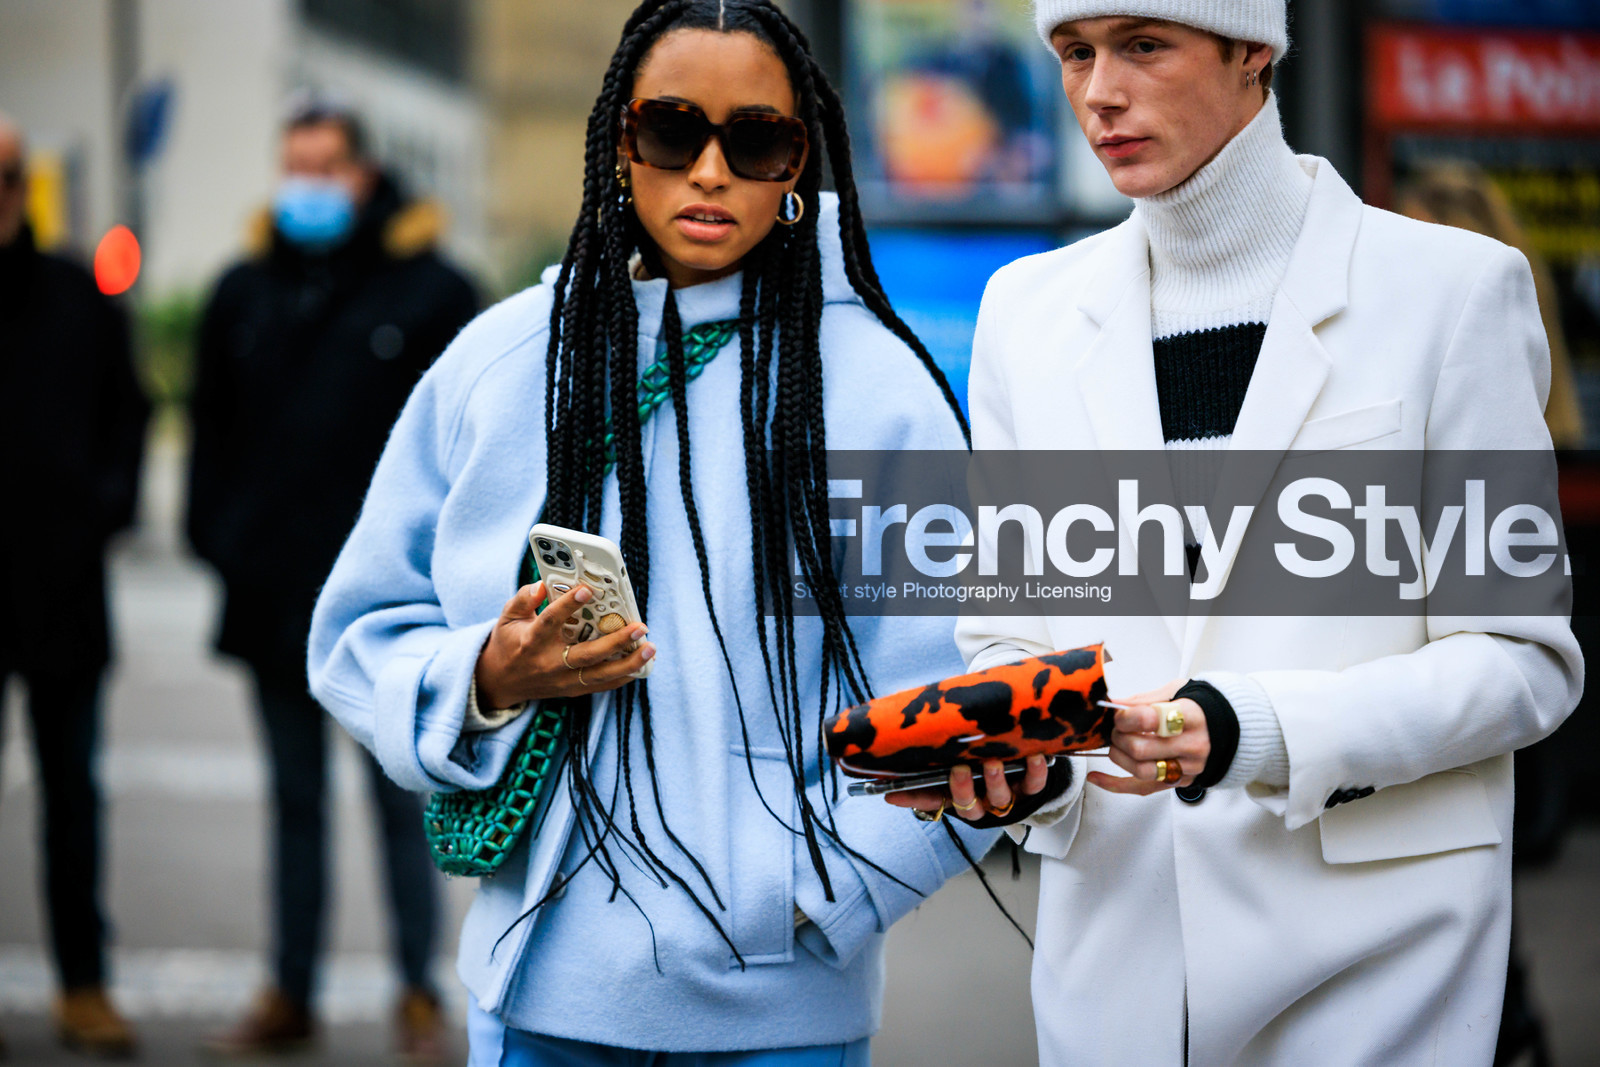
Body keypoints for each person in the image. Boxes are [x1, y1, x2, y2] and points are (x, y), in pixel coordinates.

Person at [891, 3, 1584, 1063]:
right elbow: (1014, 636)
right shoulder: (1024, 311)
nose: (1096, 91)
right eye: (1074, 53)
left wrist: (1246, 724)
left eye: (1142, 46)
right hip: (1113, 969)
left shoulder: (1449, 292)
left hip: (1375, 969)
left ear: (1252, 47)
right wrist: (1026, 765)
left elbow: (1521, 662)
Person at [308, 2, 994, 1064]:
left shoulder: (880, 392)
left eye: (756, 139)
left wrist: (816, 897)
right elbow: (360, 629)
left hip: (787, 1013)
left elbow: (966, 696)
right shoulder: (503, 360)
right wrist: (487, 673)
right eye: (673, 131)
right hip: (539, 997)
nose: (710, 171)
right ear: (619, 144)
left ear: (799, 163)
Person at [187, 97, 478, 1059]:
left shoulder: (431, 292)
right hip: (273, 599)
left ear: (364, 173)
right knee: (293, 805)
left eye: (326, 166)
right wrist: (222, 541)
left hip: (394, 610)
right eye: (294, 167)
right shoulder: (244, 291)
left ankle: (417, 993)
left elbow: (469, 454)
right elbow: (209, 438)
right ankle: (291, 991)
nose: (307, 186)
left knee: (402, 798)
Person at [0, 113, 149, 1058]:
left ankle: (83, 983)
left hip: (60, 591)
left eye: (8, 174)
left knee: (72, 800)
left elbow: (128, 419)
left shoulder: (77, 298)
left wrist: (97, 512)